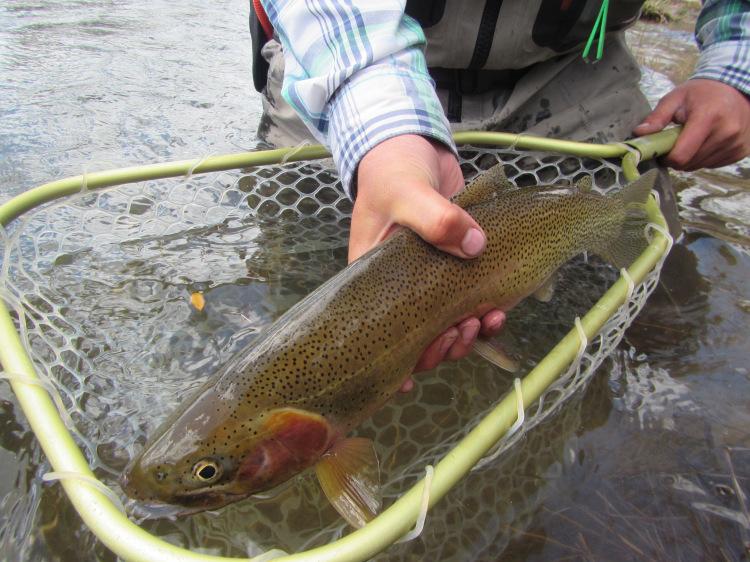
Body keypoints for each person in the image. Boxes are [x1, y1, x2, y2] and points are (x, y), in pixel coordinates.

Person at [250, 0, 750, 381]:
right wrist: (384, 138)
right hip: (337, 62)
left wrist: (735, 64)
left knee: (663, 322)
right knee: (299, 303)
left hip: (575, 64)